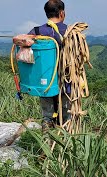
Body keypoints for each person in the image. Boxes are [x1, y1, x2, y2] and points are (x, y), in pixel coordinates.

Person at [28, 0, 70, 132]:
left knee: (47, 116)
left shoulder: (36, 31)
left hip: (44, 79)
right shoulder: (70, 31)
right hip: (66, 78)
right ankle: (65, 136)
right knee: (66, 113)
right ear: (62, 13)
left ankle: (47, 137)